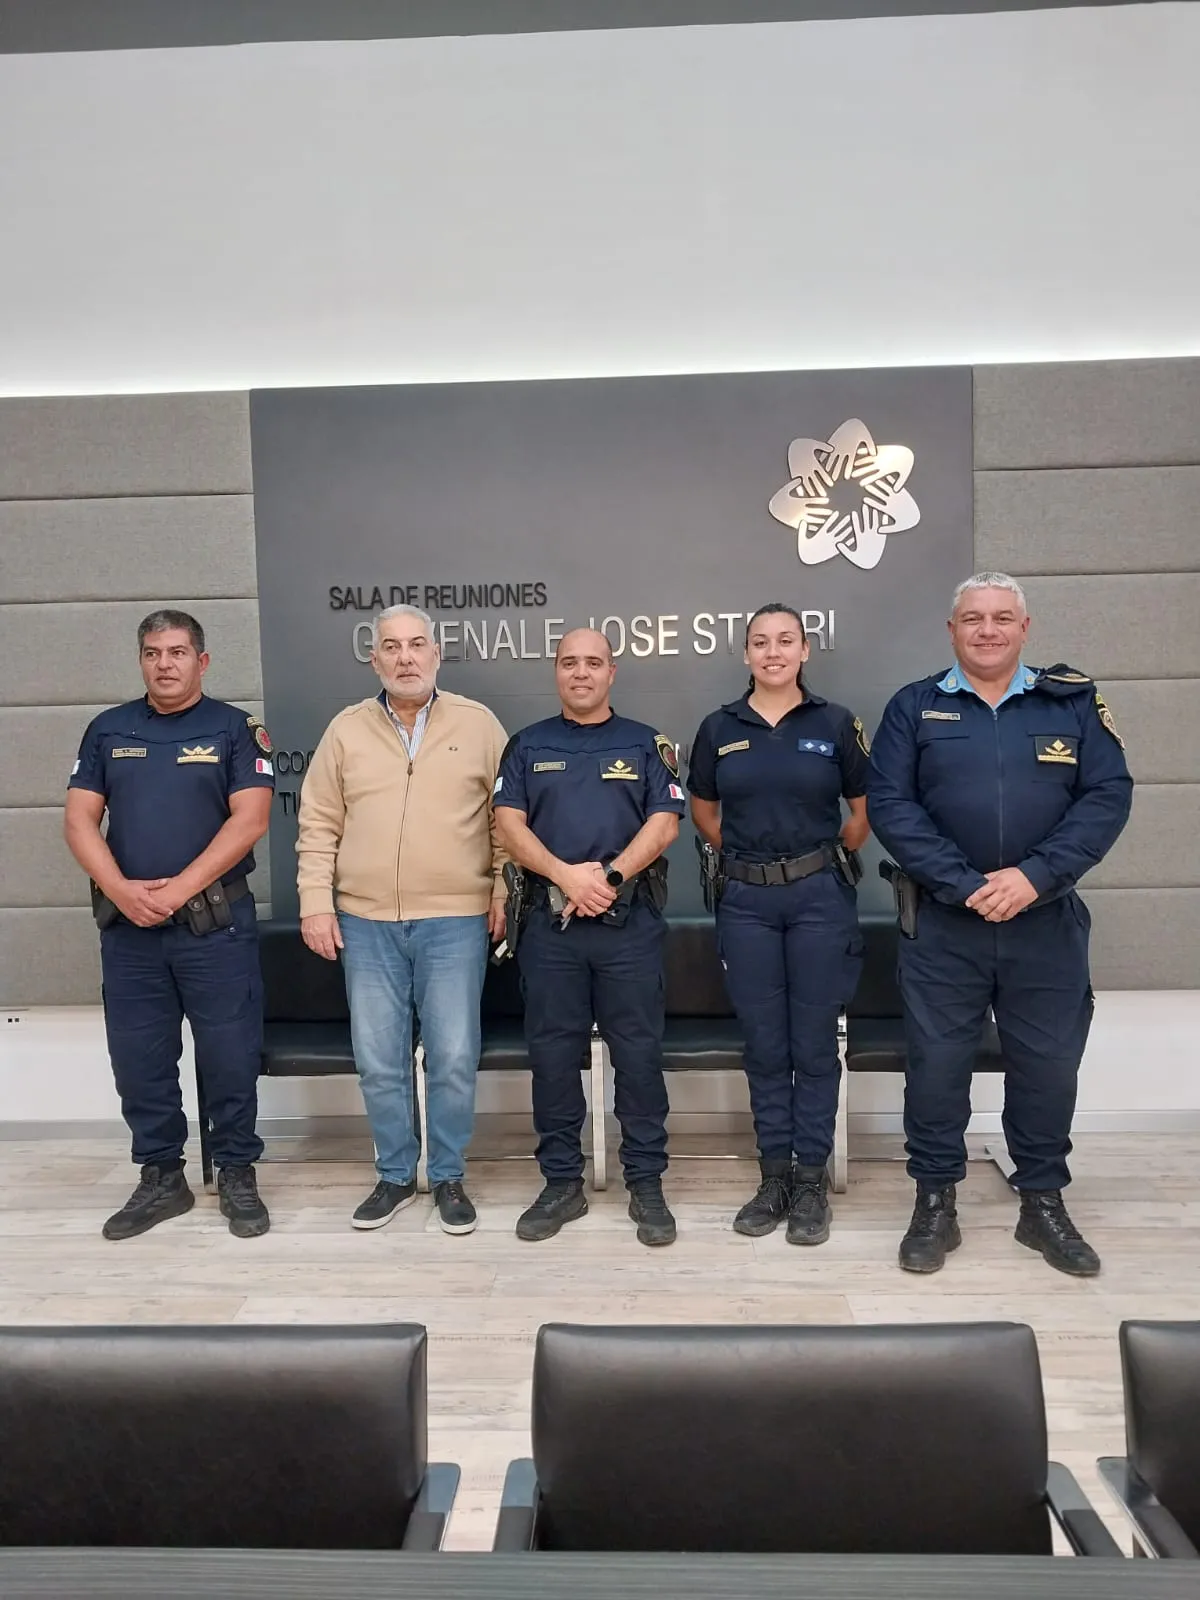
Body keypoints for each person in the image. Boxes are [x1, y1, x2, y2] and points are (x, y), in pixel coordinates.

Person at [868, 572, 1133, 1277]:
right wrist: (965, 885)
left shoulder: (1072, 702)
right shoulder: (914, 706)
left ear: (1025, 627)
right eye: (973, 618)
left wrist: (1035, 876)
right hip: (943, 925)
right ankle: (935, 1202)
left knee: (1048, 1068)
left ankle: (1041, 1204)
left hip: (1044, 923)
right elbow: (891, 805)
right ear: (951, 629)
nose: (987, 630)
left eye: (1001, 618)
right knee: (936, 1068)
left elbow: (1107, 797)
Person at [63, 609, 275, 1241]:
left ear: (201, 661)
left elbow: (251, 820)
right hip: (130, 929)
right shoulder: (108, 730)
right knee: (139, 1059)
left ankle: (236, 1171)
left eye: (178, 652)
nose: (165, 664)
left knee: (230, 1055)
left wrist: (178, 890)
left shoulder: (235, 729)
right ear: (141, 661)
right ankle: (161, 1177)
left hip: (215, 926)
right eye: (153, 653)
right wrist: (120, 890)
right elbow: (79, 820)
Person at [297, 604, 507, 1236]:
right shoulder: (346, 730)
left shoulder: (478, 724)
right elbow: (318, 823)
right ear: (375, 659)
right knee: (378, 1059)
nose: (406, 657)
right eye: (392, 647)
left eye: (417, 645)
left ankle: (446, 1176)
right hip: (365, 923)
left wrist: (502, 889)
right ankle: (394, 1175)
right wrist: (315, 901)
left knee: (453, 1056)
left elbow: (507, 822)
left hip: (455, 919)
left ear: (437, 654)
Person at [493, 628, 685, 1247]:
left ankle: (646, 1184)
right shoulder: (527, 744)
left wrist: (608, 878)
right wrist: (565, 876)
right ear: (556, 671)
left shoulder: (646, 742)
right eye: (569, 662)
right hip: (550, 929)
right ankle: (560, 1184)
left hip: (628, 926)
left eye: (593, 662)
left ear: (612, 672)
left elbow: (665, 823)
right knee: (552, 1059)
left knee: (638, 1057)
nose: (581, 672)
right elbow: (508, 824)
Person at [688, 604, 869, 1246]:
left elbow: (862, 812)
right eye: (761, 642)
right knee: (765, 1044)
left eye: (785, 640)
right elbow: (703, 811)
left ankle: (811, 1180)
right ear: (745, 654)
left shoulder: (836, 723)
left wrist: (815, 862)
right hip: (746, 902)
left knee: (814, 1044)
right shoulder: (719, 727)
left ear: (804, 651)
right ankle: (774, 1179)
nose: (773, 652)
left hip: (819, 898)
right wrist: (749, 862)